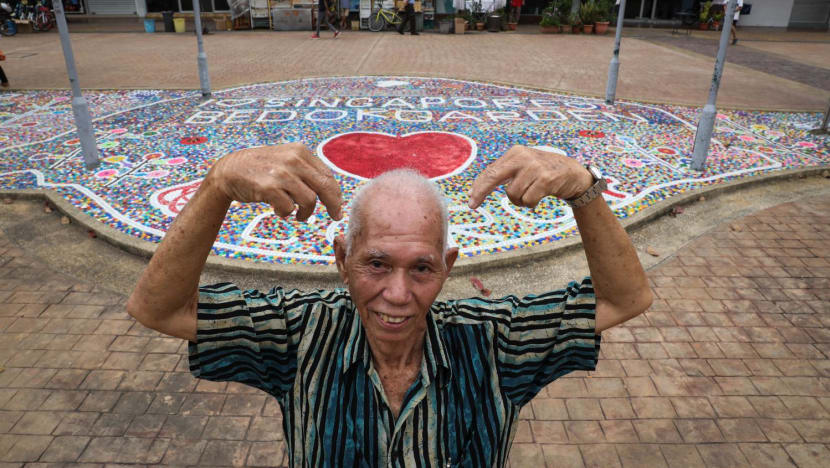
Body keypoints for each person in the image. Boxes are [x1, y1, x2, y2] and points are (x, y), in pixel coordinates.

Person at [128, 143, 653, 466]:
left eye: (422, 268)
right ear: (342, 259)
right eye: (376, 264)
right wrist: (218, 184)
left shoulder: (497, 339)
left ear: (447, 266)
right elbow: (160, 309)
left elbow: (624, 298)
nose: (398, 295)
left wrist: (585, 189)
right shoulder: (298, 333)